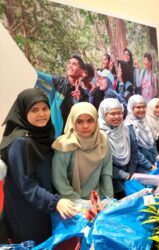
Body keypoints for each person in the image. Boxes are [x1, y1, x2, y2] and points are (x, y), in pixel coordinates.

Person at [0, 89, 75, 244]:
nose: (41, 114)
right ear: (23, 111)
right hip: (26, 212)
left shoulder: (44, 134)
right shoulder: (20, 143)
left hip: (43, 206)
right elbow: (26, 185)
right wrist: (55, 202)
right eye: (34, 110)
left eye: (44, 108)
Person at [52, 102, 113, 200]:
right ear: (73, 122)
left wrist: (108, 199)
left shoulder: (103, 139)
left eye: (90, 121)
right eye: (79, 121)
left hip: (98, 198)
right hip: (71, 201)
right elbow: (59, 180)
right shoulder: (65, 144)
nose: (85, 126)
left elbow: (106, 171)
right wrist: (79, 202)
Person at [35, 55, 89, 137]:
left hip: (72, 137)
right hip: (54, 134)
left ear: (81, 71)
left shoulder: (84, 95)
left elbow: (84, 117)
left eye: (74, 64)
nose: (70, 65)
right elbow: (40, 76)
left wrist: (77, 101)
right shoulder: (59, 82)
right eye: (69, 63)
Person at [98, 98, 138, 199]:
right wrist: (125, 176)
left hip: (128, 176)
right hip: (108, 181)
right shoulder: (98, 135)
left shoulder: (125, 129)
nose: (117, 117)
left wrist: (130, 173)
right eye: (112, 113)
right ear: (104, 114)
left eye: (119, 113)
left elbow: (134, 153)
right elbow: (103, 164)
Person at [124, 95, 158, 172]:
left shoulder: (146, 122)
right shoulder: (128, 126)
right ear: (131, 108)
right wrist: (150, 166)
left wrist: (157, 160)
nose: (142, 110)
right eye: (138, 107)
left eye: (144, 107)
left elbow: (153, 143)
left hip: (152, 163)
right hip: (138, 167)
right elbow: (135, 152)